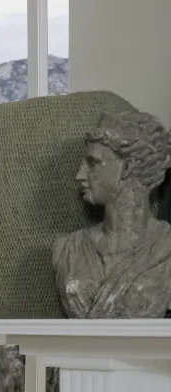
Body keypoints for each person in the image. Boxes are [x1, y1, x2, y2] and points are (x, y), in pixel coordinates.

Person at [53, 111, 171, 318]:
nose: (79, 175)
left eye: (93, 163)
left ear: (127, 168)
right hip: (78, 350)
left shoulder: (165, 247)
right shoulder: (67, 250)